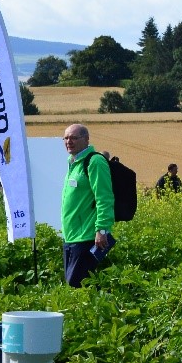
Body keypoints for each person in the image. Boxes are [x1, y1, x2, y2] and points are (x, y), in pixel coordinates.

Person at [60, 123, 115, 288]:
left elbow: (104, 198)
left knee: (76, 283)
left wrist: (102, 229)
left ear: (86, 139)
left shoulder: (94, 161)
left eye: (74, 138)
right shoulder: (74, 163)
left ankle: (106, 309)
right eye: (66, 138)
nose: (69, 141)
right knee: (78, 284)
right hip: (71, 236)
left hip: (88, 235)